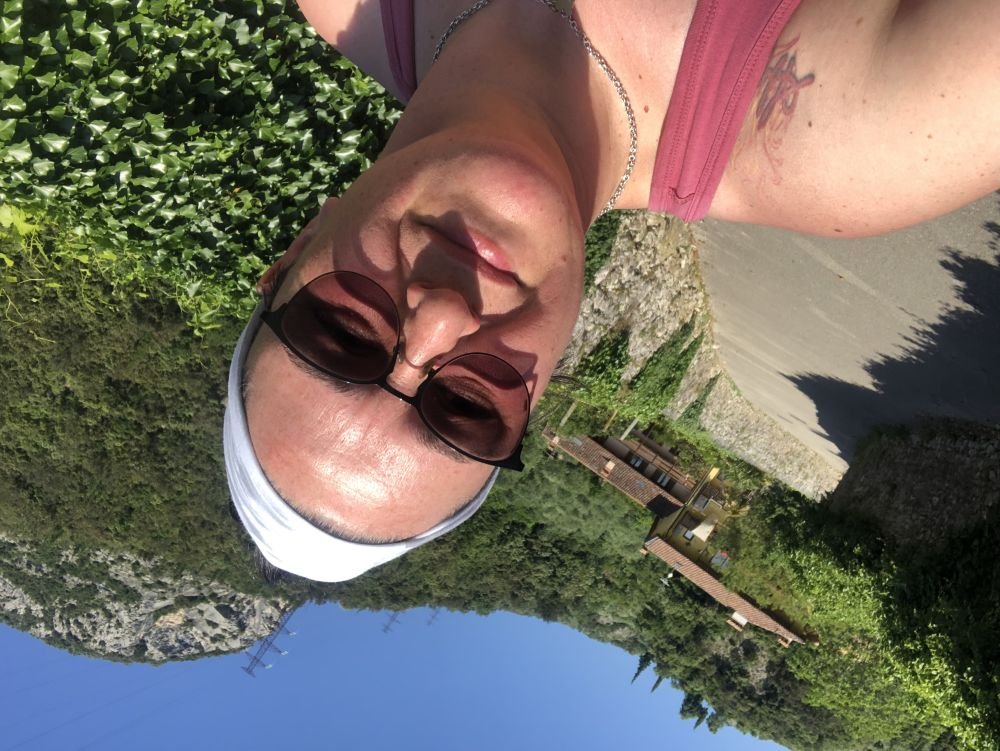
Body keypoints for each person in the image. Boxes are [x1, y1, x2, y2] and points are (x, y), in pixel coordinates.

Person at [224, 0, 1000, 581]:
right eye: (465, 407)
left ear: (291, 256)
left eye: (343, 335)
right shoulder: (854, 134)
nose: (443, 316)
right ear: (535, 397)